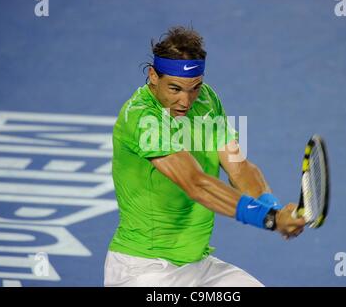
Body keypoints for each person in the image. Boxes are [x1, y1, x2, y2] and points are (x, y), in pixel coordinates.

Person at [104, 26, 305, 287]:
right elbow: (196, 184)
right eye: (175, 89)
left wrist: (272, 207)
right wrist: (269, 220)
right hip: (144, 270)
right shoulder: (142, 118)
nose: (186, 101)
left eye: (194, 88)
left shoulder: (206, 101)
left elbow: (239, 167)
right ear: (153, 76)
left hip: (198, 267)